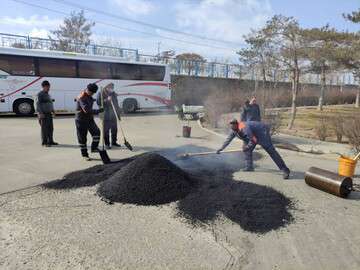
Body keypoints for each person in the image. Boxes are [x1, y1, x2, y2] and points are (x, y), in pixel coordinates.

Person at [217, 119, 290, 179]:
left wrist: (248, 147)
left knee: (271, 151)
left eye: (233, 126)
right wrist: (221, 148)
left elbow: (253, 140)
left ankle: (285, 170)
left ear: (237, 124)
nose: (232, 129)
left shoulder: (244, 127)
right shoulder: (234, 130)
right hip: (252, 135)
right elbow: (228, 139)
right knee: (247, 149)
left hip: (262, 132)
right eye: (231, 127)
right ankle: (249, 167)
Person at [75, 83, 104, 161]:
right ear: (88, 90)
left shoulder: (89, 96)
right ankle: (85, 155)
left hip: (89, 119)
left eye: (93, 93)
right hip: (81, 120)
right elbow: (86, 110)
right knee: (82, 138)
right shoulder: (81, 97)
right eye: (91, 92)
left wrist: (104, 101)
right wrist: (98, 111)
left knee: (97, 132)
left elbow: (93, 100)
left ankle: (94, 148)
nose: (92, 94)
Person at [96, 83, 121, 149]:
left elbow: (116, 104)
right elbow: (98, 102)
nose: (111, 89)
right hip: (105, 114)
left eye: (112, 88)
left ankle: (114, 142)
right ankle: (107, 144)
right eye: (110, 87)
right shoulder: (101, 93)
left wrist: (118, 115)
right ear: (106, 87)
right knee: (106, 130)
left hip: (113, 114)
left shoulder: (113, 93)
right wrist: (107, 100)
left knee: (114, 129)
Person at [36, 80, 58, 147]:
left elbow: (50, 104)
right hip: (43, 114)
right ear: (43, 87)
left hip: (49, 114)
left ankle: (50, 141)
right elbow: (37, 104)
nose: (48, 88)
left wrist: (53, 111)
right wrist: (40, 113)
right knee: (44, 129)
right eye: (47, 87)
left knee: (51, 128)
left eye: (49, 86)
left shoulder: (48, 94)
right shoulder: (40, 94)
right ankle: (45, 142)